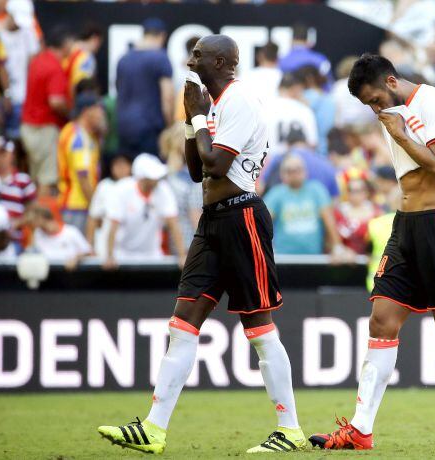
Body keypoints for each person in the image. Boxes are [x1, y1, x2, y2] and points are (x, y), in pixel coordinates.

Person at [98, 35, 307, 454]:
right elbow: (197, 172)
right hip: (214, 220)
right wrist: (192, 118)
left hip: (242, 216)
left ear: (222, 60)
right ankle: (154, 428)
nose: (190, 60)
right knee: (182, 323)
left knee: (259, 329)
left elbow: (216, 163)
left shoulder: (238, 101)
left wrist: (196, 117)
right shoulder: (215, 104)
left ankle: (290, 429)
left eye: (197, 54)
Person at [309, 54, 435, 451]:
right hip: (403, 226)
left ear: (390, 81)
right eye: (368, 105)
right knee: (381, 320)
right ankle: (360, 429)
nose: (375, 109)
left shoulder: (431, 103)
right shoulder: (394, 115)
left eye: (374, 99)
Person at [102, 153, 184, 267]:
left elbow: (173, 224)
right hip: (123, 256)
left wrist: (182, 255)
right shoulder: (122, 190)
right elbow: (113, 225)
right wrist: (110, 256)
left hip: (153, 256)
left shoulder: (163, 190)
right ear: (142, 178)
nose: (157, 179)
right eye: (152, 177)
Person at [21, 25, 72, 196]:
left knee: (35, 178)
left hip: (28, 126)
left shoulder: (38, 60)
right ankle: (42, 221)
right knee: (47, 180)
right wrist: (71, 114)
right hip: (45, 128)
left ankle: (34, 219)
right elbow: (56, 102)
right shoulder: (54, 67)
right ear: (65, 44)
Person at [116, 18, 173, 158]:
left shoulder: (123, 59)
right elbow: (168, 98)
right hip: (149, 129)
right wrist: (170, 127)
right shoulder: (160, 58)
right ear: (162, 36)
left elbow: (118, 89)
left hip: (123, 127)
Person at [264, 154, 343, 255]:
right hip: (284, 258)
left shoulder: (316, 190)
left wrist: (337, 246)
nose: (294, 174)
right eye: (289, 171)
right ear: (282, 174)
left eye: (298, 169)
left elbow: (329, 220)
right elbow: (263, 222)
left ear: (305, 171)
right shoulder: (276, 193)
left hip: (314, 258)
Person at [56, 91, 106, 232]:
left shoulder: (79, 132)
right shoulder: (79, 138)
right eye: (98, 109)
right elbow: (83, 177)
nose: (101, 114)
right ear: (86, 111)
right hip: (77, 206)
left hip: (77, 205)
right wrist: (95, 207)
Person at [0, 0, 40, 139]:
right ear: (10, 13)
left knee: (16, 140)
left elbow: (33, 64)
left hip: (21, 97)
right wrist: (5, 94)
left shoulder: (28, 33)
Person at [160, 123, 202, 253]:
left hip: (179, 245)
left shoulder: (166, 175)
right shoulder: (173, 177)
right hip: (187, 245)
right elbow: (195, 215)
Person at [86, 154, 130, 256]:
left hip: (131, 247)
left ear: (130, 167)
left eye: (124, 165)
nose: (121, 169)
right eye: (117, 165)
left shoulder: (136, 186)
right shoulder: (104, 186)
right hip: (105, 244)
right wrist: (89, 246)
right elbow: (93, 217)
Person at [265, 72, 318, 157]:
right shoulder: (304, 111)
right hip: (296, 165)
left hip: (268, 163)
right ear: (296, 88)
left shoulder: (264, 108)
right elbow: (312, 145)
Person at [29, 204, 91, 271]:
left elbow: (88, 251)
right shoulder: (37, 233)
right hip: (48, 274)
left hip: (70, 272)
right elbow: (31, 252)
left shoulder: (71, 231)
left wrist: (76, 259)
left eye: (35, 220)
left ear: (42, 218)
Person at [334, 178, 381, 254]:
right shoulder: (339, 212)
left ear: (366, 192)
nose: (355, 194)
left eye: (358, 191)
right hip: (345, 259)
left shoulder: (376, 212)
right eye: (351, 191)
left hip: (369, 257)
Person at [64, 22, 102, 97]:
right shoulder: (86, 57)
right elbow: (83, 85)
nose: (99, 48)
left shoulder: (68, 50)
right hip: (75, 100)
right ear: (95, 38)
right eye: (100, 43)